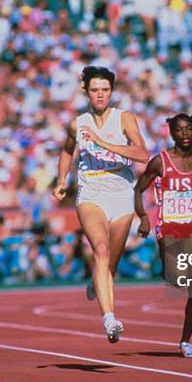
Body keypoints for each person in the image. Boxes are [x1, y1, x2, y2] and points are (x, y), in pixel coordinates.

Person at [52, 66, 149, 343]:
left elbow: (142, 154)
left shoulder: (124, 119)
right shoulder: (78, 123)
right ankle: (109, 319)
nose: (100, 95)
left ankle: (97, 282)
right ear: (87, 92)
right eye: (95, 90)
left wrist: (103, 142)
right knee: (101, 250)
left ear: (112, 91)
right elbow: (67, 149)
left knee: (110, 267)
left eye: (105, 90)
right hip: (91, 191)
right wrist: (61, 179)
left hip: (121, 192)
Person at [134, 113, 192, 358]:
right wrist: (143, 216)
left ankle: (186, 341)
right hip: (168, 227)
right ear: (172, 133)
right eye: (180, 130)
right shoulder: (160, 162)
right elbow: (138, 189)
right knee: (175, 280)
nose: (185, 133)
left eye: (189, 129)